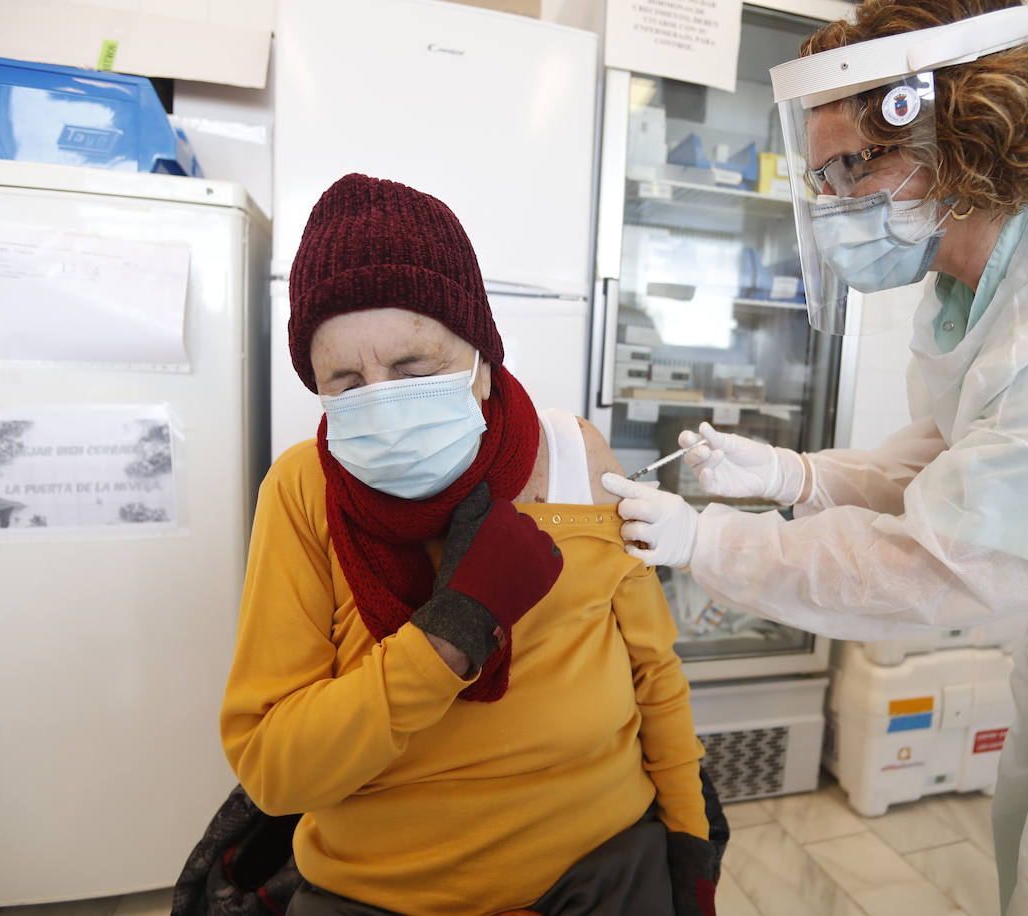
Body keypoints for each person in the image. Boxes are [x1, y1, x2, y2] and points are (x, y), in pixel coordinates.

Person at [601, 1, 1028, 913]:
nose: (832, 204)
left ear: (956, 142)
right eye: (822, 178)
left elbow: (933, 561)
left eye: (849, 168)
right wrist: (796, 477)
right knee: (1023, 846)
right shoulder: (1007, 258)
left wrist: (710, 545)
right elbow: (963, 453)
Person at [219, 174, 720, 916]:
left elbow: (654, 673)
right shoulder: (303, 490)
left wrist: (690, 841)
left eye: (414, 367)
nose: (382, 401)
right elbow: (273, 769)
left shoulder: (577, 459)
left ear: (482, 358)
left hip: (609, 867)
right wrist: (451, 635)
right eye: (346, 380)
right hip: (381, 896)